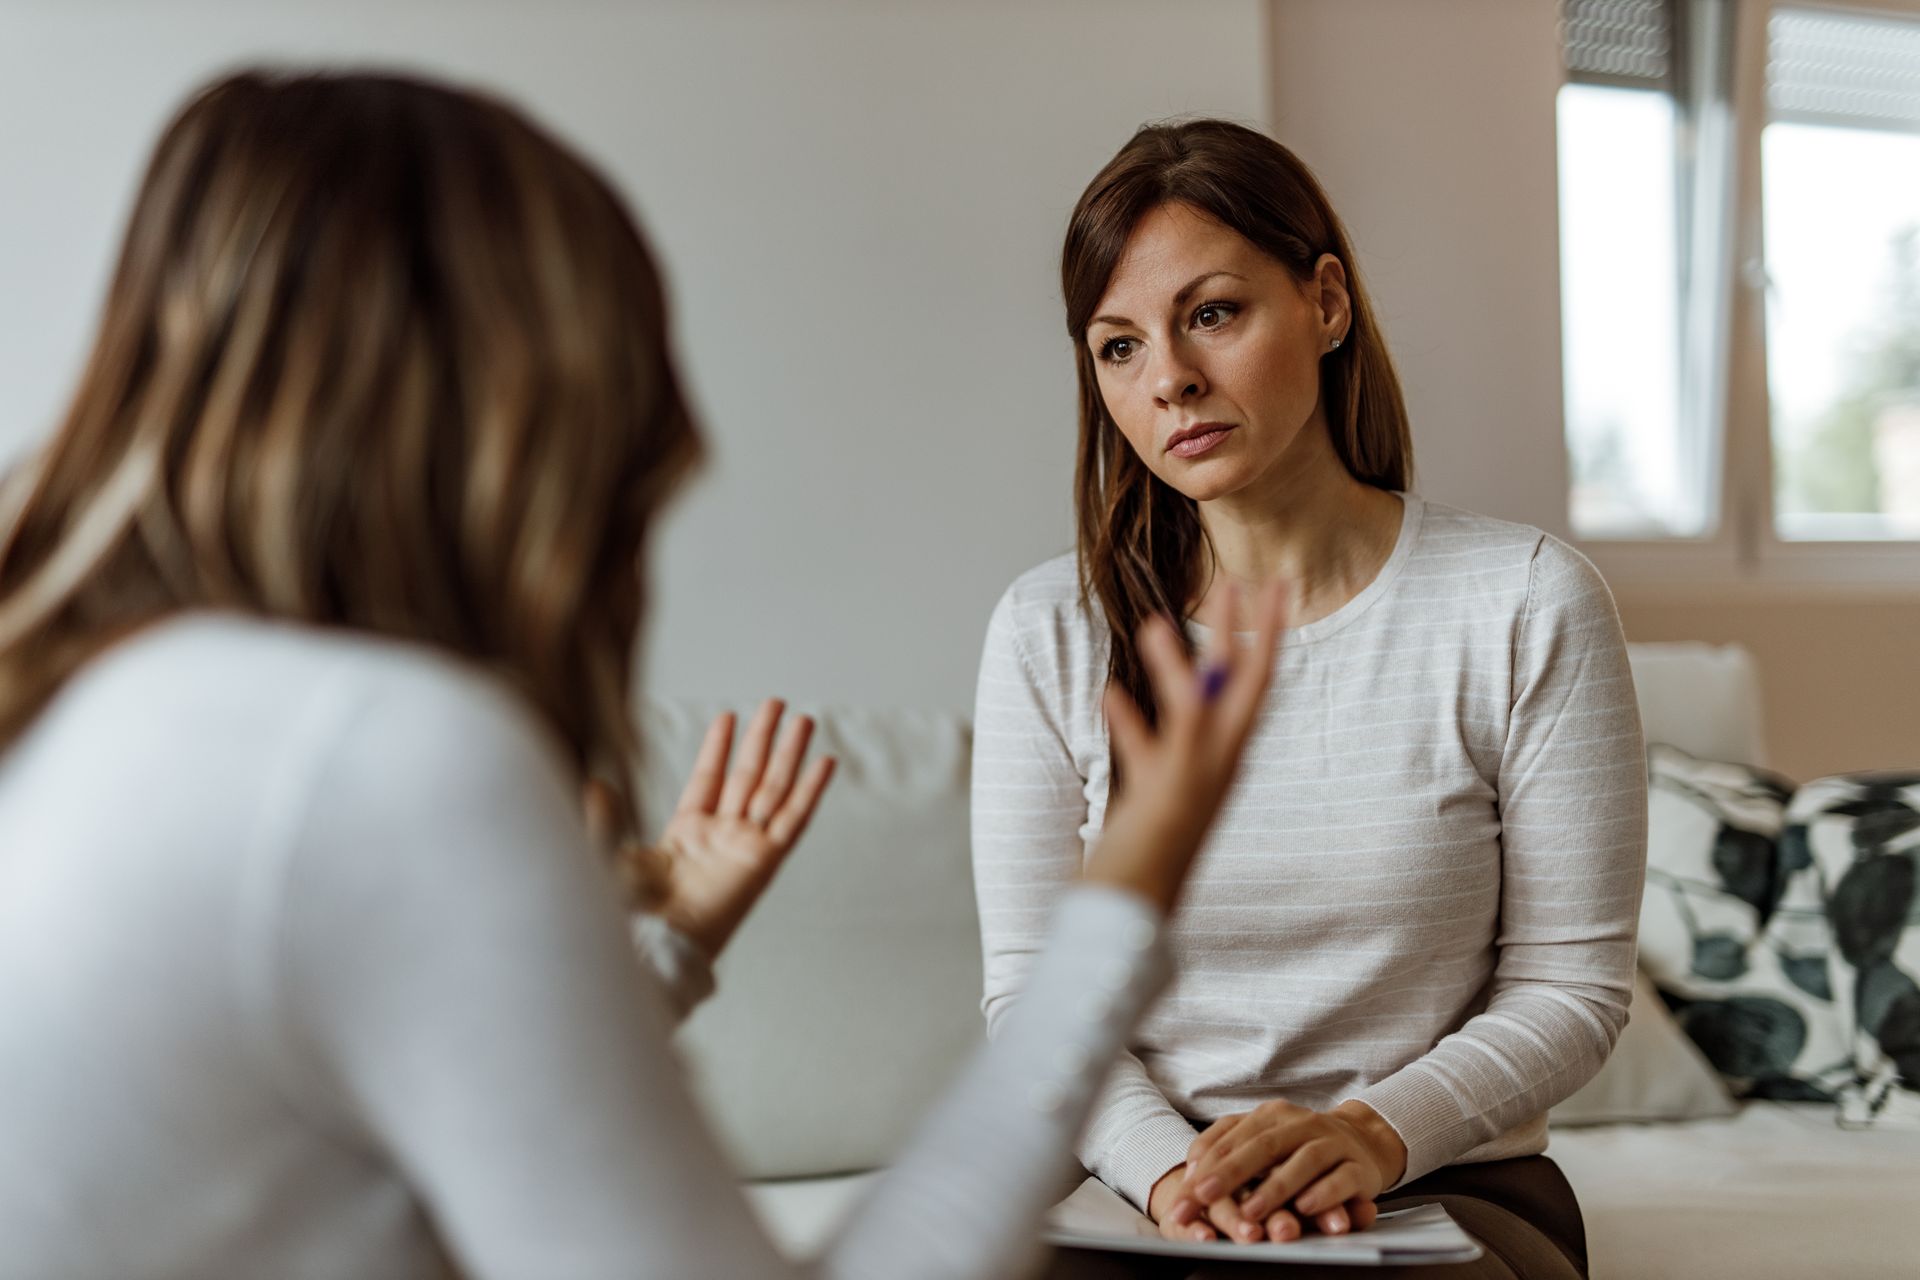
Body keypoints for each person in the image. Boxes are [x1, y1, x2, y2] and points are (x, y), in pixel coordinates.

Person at [0, 72, 1289, 1280]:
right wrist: (1119, 902)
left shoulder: (111, 700)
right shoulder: (383, 752)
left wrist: (663, 946)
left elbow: (343, 1147)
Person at [971, 120, 1648, 1279]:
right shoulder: (1051, 630)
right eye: (1117, 346)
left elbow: (1570, 988)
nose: (1169, 375)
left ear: (1325, 303)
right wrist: (1175, 1171)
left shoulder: (1526, 601)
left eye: (1214, 313)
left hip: (1444, 1175)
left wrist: (1368, 1133)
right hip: (1141, 1182)